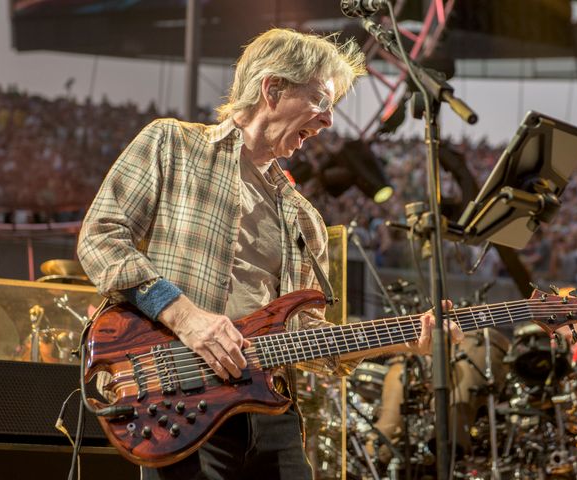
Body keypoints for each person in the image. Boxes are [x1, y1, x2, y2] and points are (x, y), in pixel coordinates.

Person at [77, 28, 462, 480]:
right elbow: (101, 238)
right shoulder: (171, 145)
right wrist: (187, 318)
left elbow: (308, 337)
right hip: (179, 401)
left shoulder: (304, 217)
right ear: (272, 88)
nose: (329, 122)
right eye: (321, 100)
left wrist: (406, 340)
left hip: (270, 414)